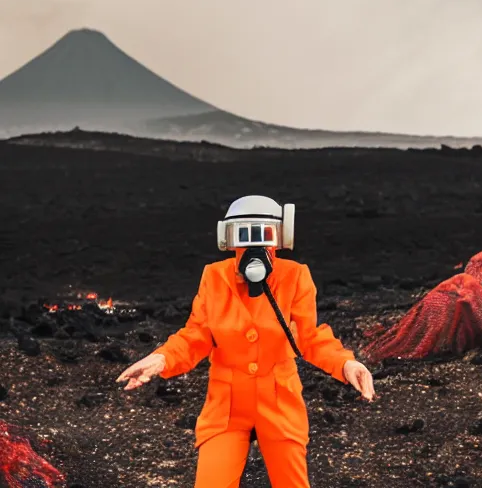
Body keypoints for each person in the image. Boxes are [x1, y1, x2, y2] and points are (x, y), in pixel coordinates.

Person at [116, 195, 376, 488]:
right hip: (226, 406)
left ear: (281, 238)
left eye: (264, 235)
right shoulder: (214, 277)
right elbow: (197, 334)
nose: (254, 245)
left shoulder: (295, 277)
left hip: (279, 403)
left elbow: (310, 336)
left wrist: (346, 364)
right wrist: (162, 358)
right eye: (244, 234)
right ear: (227, 239)